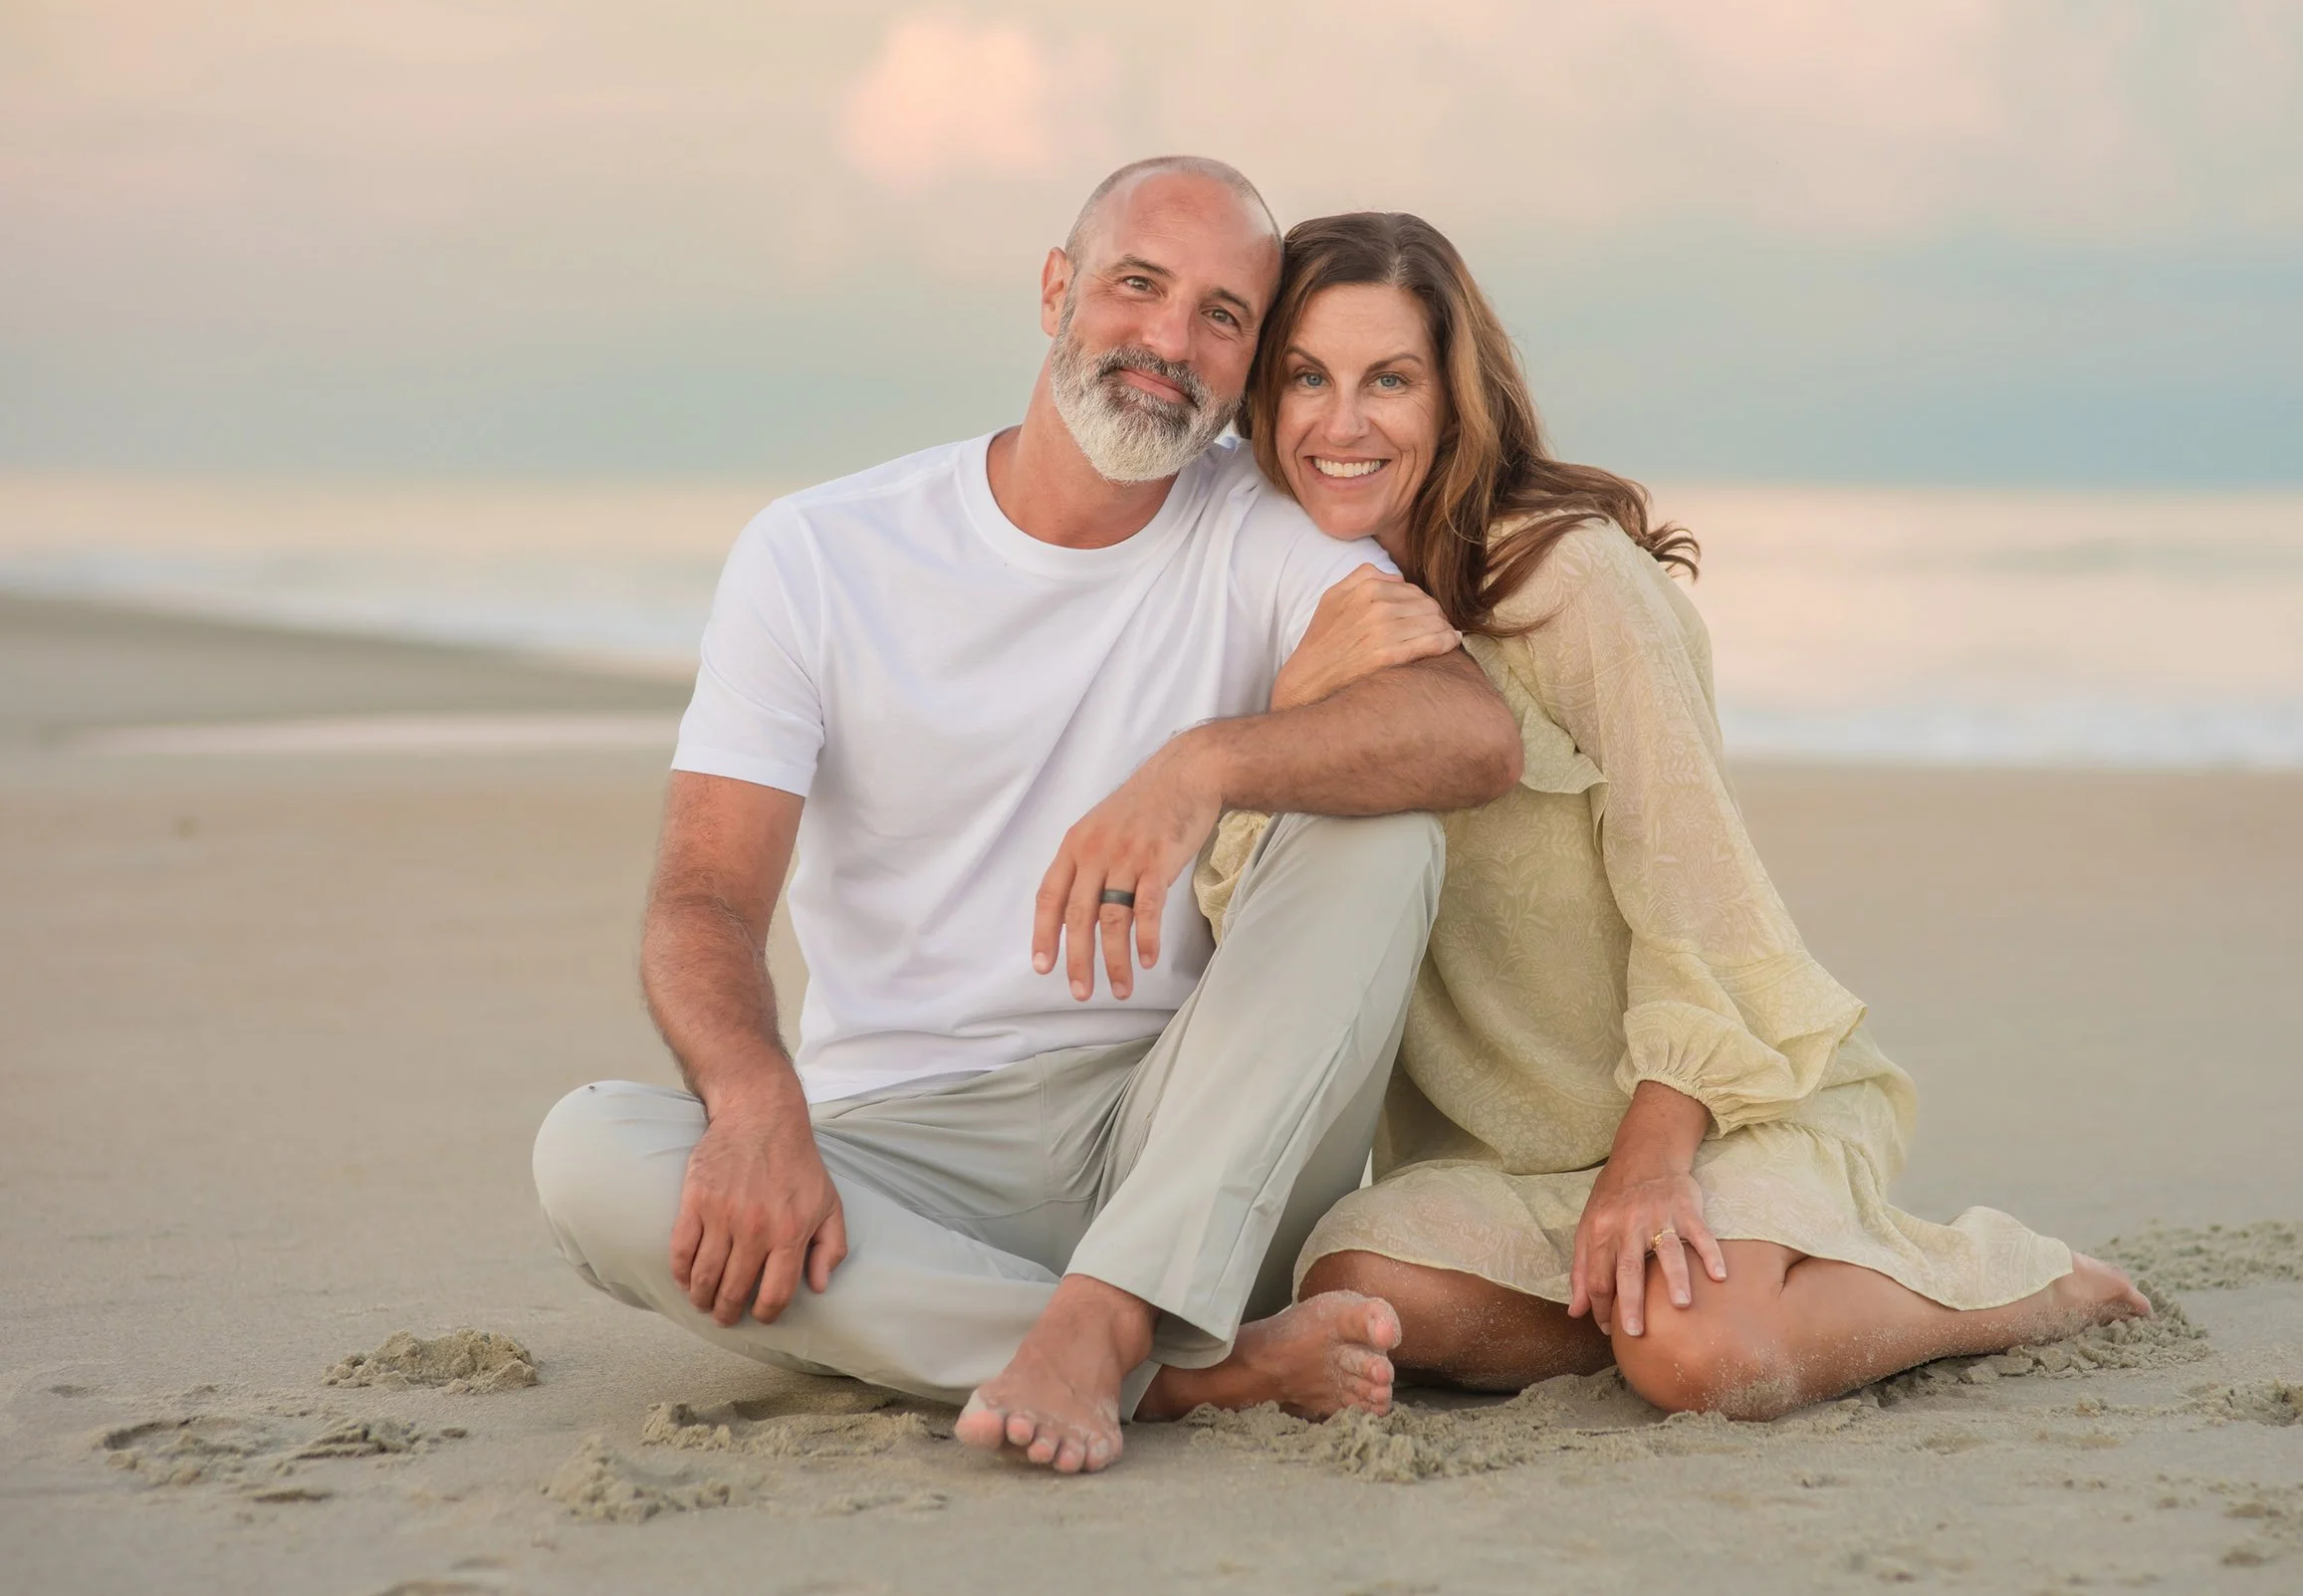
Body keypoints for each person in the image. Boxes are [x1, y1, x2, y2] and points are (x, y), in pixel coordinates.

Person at [531, 161, 1524, 1476]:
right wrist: (753, 1095)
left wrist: (1202, 765)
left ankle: (1105, 1321)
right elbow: (704, 893)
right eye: (1139, 285)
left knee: (1381, 833)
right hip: (899, 1157)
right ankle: (1186, 1372)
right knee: (590, 1153)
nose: (1172, 341)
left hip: (1195, 1141)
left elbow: (1472, 733)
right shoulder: (821, 553)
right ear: (1059, 289)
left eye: (1224, 316)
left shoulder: (1260, 531)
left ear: (1245, 366)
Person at [1195, 211, 2150, 1420]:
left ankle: (2014, 1291)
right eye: (1306, 379)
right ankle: (1669, 1309)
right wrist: (1300, 699)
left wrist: (1648, 1171)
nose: (1343, 423)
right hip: (1495, 1163)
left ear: (1453, 399)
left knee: (1705, 1365)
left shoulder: (1573, 583)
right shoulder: (1274, 604)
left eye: (1389, 378)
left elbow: (1702, 904)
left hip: (1711, 1110)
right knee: (1358, 1294)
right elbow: (1252, 920)